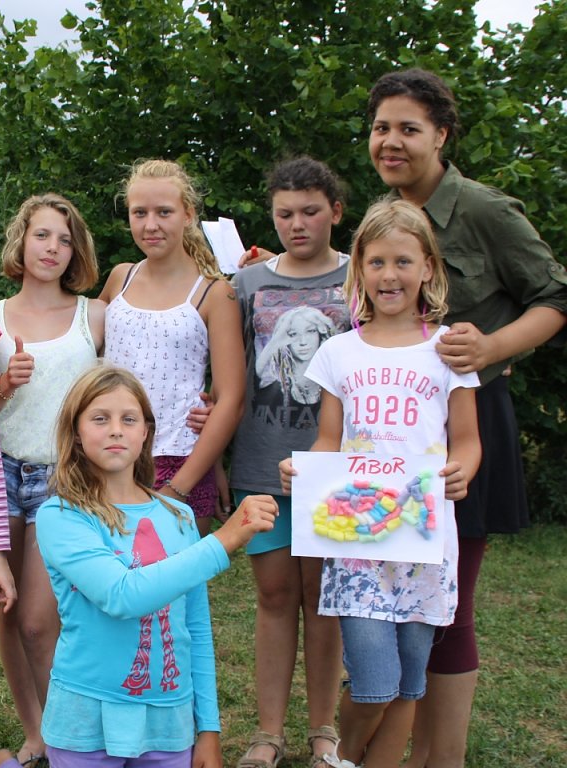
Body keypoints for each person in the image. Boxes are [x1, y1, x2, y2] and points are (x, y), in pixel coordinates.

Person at [365, 68, 567, 768]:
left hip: (465, 426)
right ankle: (399, 750)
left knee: (447, 603)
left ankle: (441, 758)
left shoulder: (485, 210)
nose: (391, 142)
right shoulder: (384, 214)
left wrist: (491, 348)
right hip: (386, 435)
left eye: (408, 128)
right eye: (381, 128)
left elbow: (556, 296)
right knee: (389, 603)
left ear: (442, 135)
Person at [280, 199, 483, 768]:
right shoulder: (338, 352)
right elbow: (329, 439)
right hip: (358, 543)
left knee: (411, 683)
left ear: (427, 268)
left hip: (424, 542)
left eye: (402, 261)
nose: (389, 275)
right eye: (376, 262)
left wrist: (463, 469)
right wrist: (304, 470)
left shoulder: (448, 351)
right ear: (360, 269)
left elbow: (467, 440)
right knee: (374, 683)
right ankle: (342, 754)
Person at [36, 364, 279, 768]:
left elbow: (195, 628)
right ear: (76, 432)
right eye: (100, 419)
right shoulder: (62, 515)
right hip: (84, 719)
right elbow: (121, 596)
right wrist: (224, 540)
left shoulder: (178, 517)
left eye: (129, 419)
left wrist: (209, 730)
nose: (116, 430)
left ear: (146, 432)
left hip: (169, 722)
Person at [230, 157, 349, 768]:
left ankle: (325, 730)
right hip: (261, 461)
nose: (297, 224)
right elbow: (230, 370)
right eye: (284, 213)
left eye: (310, 211)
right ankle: (268, 733)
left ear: (335, 211)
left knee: (325, 598)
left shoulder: (362, 274)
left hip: (339, 469)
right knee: (275, 596)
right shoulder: (246, 283)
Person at [0, 193, 106, 767]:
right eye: (42, 235)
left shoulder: (95, 316)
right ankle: (35, 734)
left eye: (64, 239)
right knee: (8, 614)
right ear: (22, 239)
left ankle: (68, 737)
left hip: (64, 478)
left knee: (39, 620)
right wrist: (4, 383)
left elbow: (121, 394)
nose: (53, 248)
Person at [98, 159, 245, 537]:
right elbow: (74, 337)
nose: (151, 225)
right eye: (139, 213)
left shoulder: (214, 292)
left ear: (188, 214)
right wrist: (0, 314)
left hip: (180, 462)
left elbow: (230, 399)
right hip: (107, 456)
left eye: (164, 212)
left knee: (175, 575)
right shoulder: (120, 279)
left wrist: (178, 488)